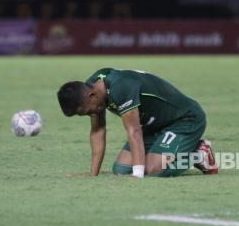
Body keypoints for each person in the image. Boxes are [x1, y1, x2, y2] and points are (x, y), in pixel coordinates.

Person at [57, 68, 218, 178]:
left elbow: (134, 130)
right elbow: (98, 131)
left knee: (153, 169)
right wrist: (93, 175)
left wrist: (138, 174)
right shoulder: (93, 89)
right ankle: (163, 153)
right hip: (154, 125)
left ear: (92, 96)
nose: (90, 114)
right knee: (120, 169)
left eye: (87, 111)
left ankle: (198, 154)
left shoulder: (120, 87)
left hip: (183, 119)